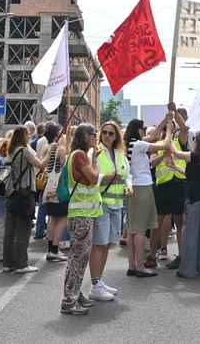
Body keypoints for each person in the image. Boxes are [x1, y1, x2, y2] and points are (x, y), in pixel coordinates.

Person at [61, 123, 102, 316]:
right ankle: (69, 300)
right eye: (94, 134)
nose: (96, 137)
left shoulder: (78, 154)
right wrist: (94, 159)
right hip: (80, 215)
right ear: (86, 136)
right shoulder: (80, 155)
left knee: (81, 258)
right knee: (77, 259)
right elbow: (94, 178)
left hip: (84, 214)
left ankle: (75, 294)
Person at [0, 127, 52, 274]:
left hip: (11, 194)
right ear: (23, 135)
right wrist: (50, 150)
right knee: (23, 230)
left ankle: (8, 263)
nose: (29, 136)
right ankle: (22, 263)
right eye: (28, 134)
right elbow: (42, 165)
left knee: (10, 231)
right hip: (24, 194)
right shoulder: (24, 151)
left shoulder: (11, 151)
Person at [87, 121, 130, 299]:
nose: (106, 135)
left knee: (107, 244)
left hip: (117, 204)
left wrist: (129, 185)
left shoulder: (120, 154)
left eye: (111, 133)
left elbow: (128, 173)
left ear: (116, 136)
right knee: (98, 244)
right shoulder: (94, 152)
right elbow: (89, 175)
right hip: (101, 203)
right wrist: (107, 176)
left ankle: (99, 280)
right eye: (104, 132)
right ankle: (95, 284)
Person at [169, 130, 200, 279]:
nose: (193, 140)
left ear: (199, 141)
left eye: (195, 138)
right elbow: (191, 174)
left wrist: (169, 135)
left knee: (190, 234)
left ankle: (187, 270)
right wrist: (175, 167)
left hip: (195, 199)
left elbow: (175, 152)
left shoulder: (195, 155)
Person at [123, 118, 169, 276]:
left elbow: (153, 136)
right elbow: (164, 144)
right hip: (142, 186)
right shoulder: (139, 145)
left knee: (132, 230)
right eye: (143, 128)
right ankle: (141, 267)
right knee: (140, 230)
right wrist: (169, 131)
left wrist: (164, 121)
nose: (145, 130)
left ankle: (132, 265)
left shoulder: (130, 144)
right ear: (138, 130)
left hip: (131, 187)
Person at [149, 105, 189, 267]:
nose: (170, 129)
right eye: (167, 127)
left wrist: (176, 113)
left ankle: (182, 255)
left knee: (180, 221)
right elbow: (152, 162)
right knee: (157, 222)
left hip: (179, 185)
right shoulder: (157, 144)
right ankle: (151, 256)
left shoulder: (179, 143)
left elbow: (184, 128)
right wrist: (163, 155)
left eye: (172, 127)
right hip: (163, 188)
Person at [42, 123, 70, 262]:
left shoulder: (47, 148)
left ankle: (51, 249)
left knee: (53, 218)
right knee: (62, 218)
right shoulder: (60, 149)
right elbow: (63, 166)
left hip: (49, 187)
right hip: (58, 188)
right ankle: (55, 248)